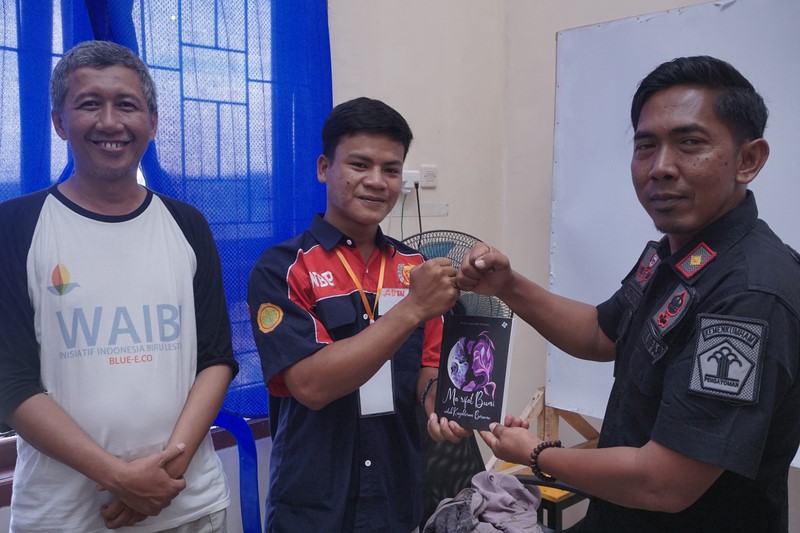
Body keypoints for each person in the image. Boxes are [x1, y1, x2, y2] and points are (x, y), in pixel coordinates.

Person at [458, 55, 800, 532]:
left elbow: (664, 483)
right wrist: (508, 286)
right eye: (646, 146)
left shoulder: (749, 295)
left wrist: (536, 454)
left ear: (749, 160)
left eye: (690, 143)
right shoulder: (676, 254)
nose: (661, 167)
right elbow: (601, 332)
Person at [0, 40, 238, 532]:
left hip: (188, 504)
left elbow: (215, 359)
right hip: (63, 517)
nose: (110, 122)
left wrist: (160, 479)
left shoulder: (187, 224)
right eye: (89, 104)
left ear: (152, 121)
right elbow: (10, 382)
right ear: (59, 122)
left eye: (126, 105)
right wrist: (119, 478)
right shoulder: (14, 226)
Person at [247, 96, 469, 532]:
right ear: (324, 168)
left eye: (391, 169)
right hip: (313, 501)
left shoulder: (415, 267)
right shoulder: (283, 268)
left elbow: (428, 367)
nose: (377, 181)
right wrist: (412, 308)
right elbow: (311, 385)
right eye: (359, 165)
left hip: (396, 493)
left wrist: (441, 405)